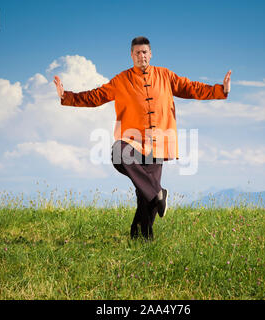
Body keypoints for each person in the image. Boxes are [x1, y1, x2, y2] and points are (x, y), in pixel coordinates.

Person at [54, 36, 231, 240]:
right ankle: (158, 193)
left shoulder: (165, 75)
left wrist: (220, 89)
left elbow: (192, 88)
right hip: (131, 140)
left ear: (151, 54)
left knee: (145, 196)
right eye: (137, 53)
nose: (141, 56)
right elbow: (95, 96)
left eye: (145, 52)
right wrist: (66, 96)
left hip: (159, 141)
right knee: (119, 154)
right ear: (131, 55)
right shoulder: (121, 80)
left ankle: (142, 239)